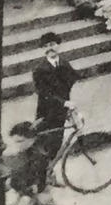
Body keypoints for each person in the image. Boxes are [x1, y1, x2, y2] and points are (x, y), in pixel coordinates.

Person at [31, 33, 77, 164]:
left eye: (52, 44)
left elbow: (73, 78)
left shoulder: (64, 63)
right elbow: (44, 93)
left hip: (61, 111)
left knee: (57, 142)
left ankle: (49, 173)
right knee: (45, 145)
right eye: (45, 46)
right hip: (47, 112)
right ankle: (42, 177)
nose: (49, 48)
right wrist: (64, 102)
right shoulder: (40, 69)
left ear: (58, 45)